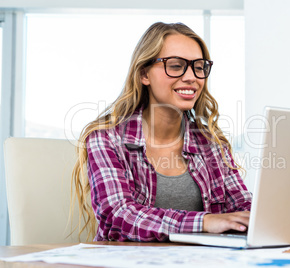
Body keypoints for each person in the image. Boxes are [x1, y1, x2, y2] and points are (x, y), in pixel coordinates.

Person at [72, 22, 252, 242]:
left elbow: (242, 206)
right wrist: (204, 222)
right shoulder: (106, 138)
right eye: (176, 66)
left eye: (198, 67)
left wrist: (261, 218)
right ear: (144, 74)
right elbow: (118, 216)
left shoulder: (212, 143)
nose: (191, 77)